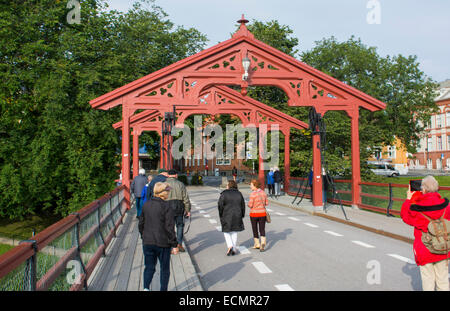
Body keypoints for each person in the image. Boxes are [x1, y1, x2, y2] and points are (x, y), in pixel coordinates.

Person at [400, 175, 450, 291]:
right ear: (437, 188)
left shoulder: (417, 208)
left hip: (424, 248)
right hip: (442, 247)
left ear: (423, 190)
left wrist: (408, 199)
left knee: (428, 280)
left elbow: (405, 216)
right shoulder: (446, 206)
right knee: (443, 280)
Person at [138, 182, 178, 291]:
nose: (169, 192)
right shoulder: (167, 206)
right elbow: (170, 227)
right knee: (164, 269)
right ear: (162, 193)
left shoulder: (146, 205)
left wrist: (143, 236)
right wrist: (174, 244)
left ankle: (146, 288)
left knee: (149, 267)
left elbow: (141, 223)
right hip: (163, 243)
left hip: (148, 241)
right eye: (167, 191)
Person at [165, 169, 191, 252]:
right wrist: (188, 210)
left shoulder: (165, 184)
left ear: (168, 175)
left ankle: (171, 245)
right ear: (176, 175)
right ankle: (179, 243)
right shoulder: (180, 184)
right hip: (179, 206)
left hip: (167, 206)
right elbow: (185, 198)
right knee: (180, 225)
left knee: (169, 226)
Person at [218, 180, 245, 256]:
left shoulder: (224, 194)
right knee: (234, 231)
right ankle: (233, 248)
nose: (226, 186)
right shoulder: (239, 194)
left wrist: (221, 214)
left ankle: (230, 246)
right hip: (237, 214)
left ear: (229, 186)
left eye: (227, 185)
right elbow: (242, 205)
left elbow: (220, 205)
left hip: (226, 215)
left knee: (226, 231)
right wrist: (242, 214)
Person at [248, 179, 269, 252]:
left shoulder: (252, 194)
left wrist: (250, 204)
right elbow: (266, 203)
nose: (250, 186)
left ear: (255, 185)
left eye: (251, 185)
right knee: (262, 229)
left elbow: (250, 205)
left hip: (254, 214)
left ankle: (257, 244)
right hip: (262, 213)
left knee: (255, 229)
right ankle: (263, 242)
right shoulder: (263, 193)